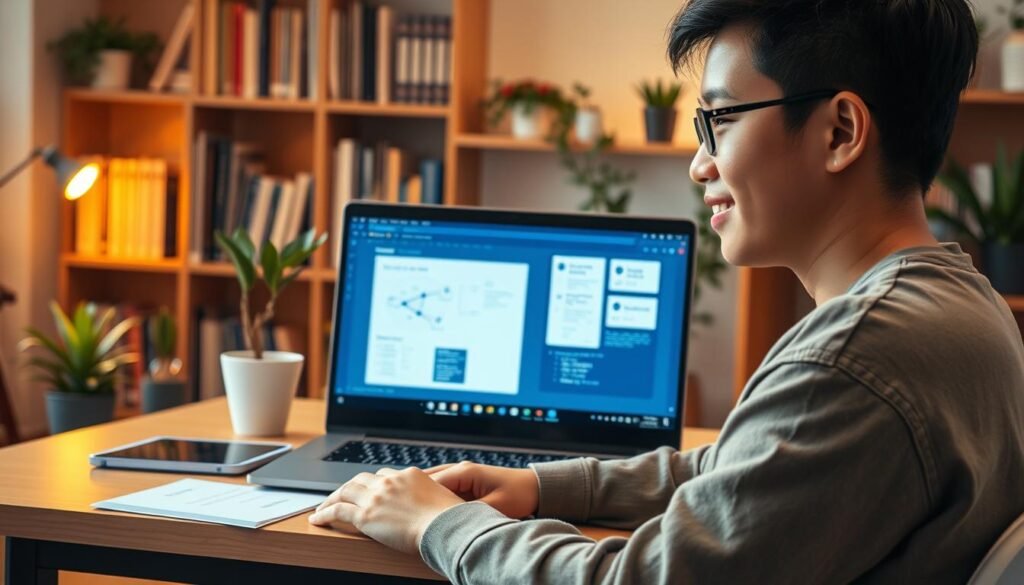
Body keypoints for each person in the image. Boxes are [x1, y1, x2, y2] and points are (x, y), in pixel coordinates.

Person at [308, 1, 1024, 582]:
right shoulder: (962, 303)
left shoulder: (851, 360)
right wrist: (542, 486)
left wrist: (439, 523)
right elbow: (740, 470)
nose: (697, 164)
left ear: (840, 131)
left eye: (720, 121)